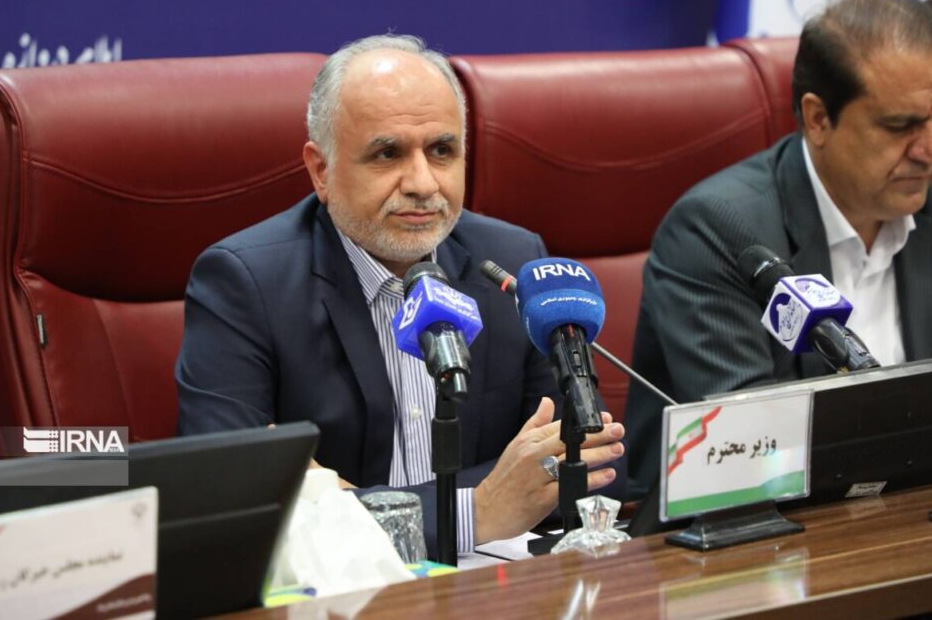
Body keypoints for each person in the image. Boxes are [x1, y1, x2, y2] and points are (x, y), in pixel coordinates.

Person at [176, 34, 626, 553]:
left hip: (494, 581)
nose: (422, 183)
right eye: (387, 153)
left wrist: (341, 500)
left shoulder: (513, 262)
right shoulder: (245, 284)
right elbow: (230, 506)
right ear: (322, 171)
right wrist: (476, 510)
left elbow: (591, 468)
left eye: (442, 151)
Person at [627, 0, 932, 499]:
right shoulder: (717, 231)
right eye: (900, 125)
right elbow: (746, 452)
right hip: (749, 528)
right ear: (818, 119)